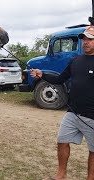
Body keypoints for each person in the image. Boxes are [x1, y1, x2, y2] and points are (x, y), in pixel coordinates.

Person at [30, 26, 94, 180]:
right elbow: (60, 79)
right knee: (62, 141)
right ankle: (61, 175)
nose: (86, 42)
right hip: (72, 112)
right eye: (84, 39)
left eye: (90, 39)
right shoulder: (76, 60)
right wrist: (42, 74)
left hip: (92, 115)